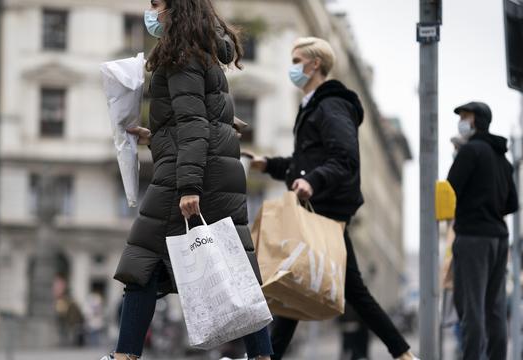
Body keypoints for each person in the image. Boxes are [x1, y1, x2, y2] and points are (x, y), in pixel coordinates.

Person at [102, 0, 273, 359]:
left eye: (157, 4)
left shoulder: (180, 52)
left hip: (191, 173)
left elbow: (194, 125)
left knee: (142, 263)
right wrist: (158, 134)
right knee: (234, 266)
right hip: (213, 168)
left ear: (176, 7)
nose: (153, 13)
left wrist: (189, 186)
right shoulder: (203, 48)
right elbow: (197, 119)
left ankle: (124, 356)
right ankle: (262, 356)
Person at [245, 37, 417, 360]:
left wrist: (311, 181)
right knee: (302, 287)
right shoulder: (312, 105)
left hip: (325, 210)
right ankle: (402, 354)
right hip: (319, 208)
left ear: (315, 65)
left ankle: (403, 354)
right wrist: (269, 164)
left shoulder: (330, 105)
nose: (292, 68)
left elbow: (344, 157)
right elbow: (304, 162)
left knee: (321, 286)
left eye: (297, 61)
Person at [446, 101, 519, 359]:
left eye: (464, 116)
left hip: (472, 237)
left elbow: (450, 190)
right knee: (495, 307)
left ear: (475, 120)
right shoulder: (502, 159)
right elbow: (513, 203)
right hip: (499, 238)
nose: (461, 121)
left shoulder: (471, 152)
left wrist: (457, 156)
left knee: (472, 306)